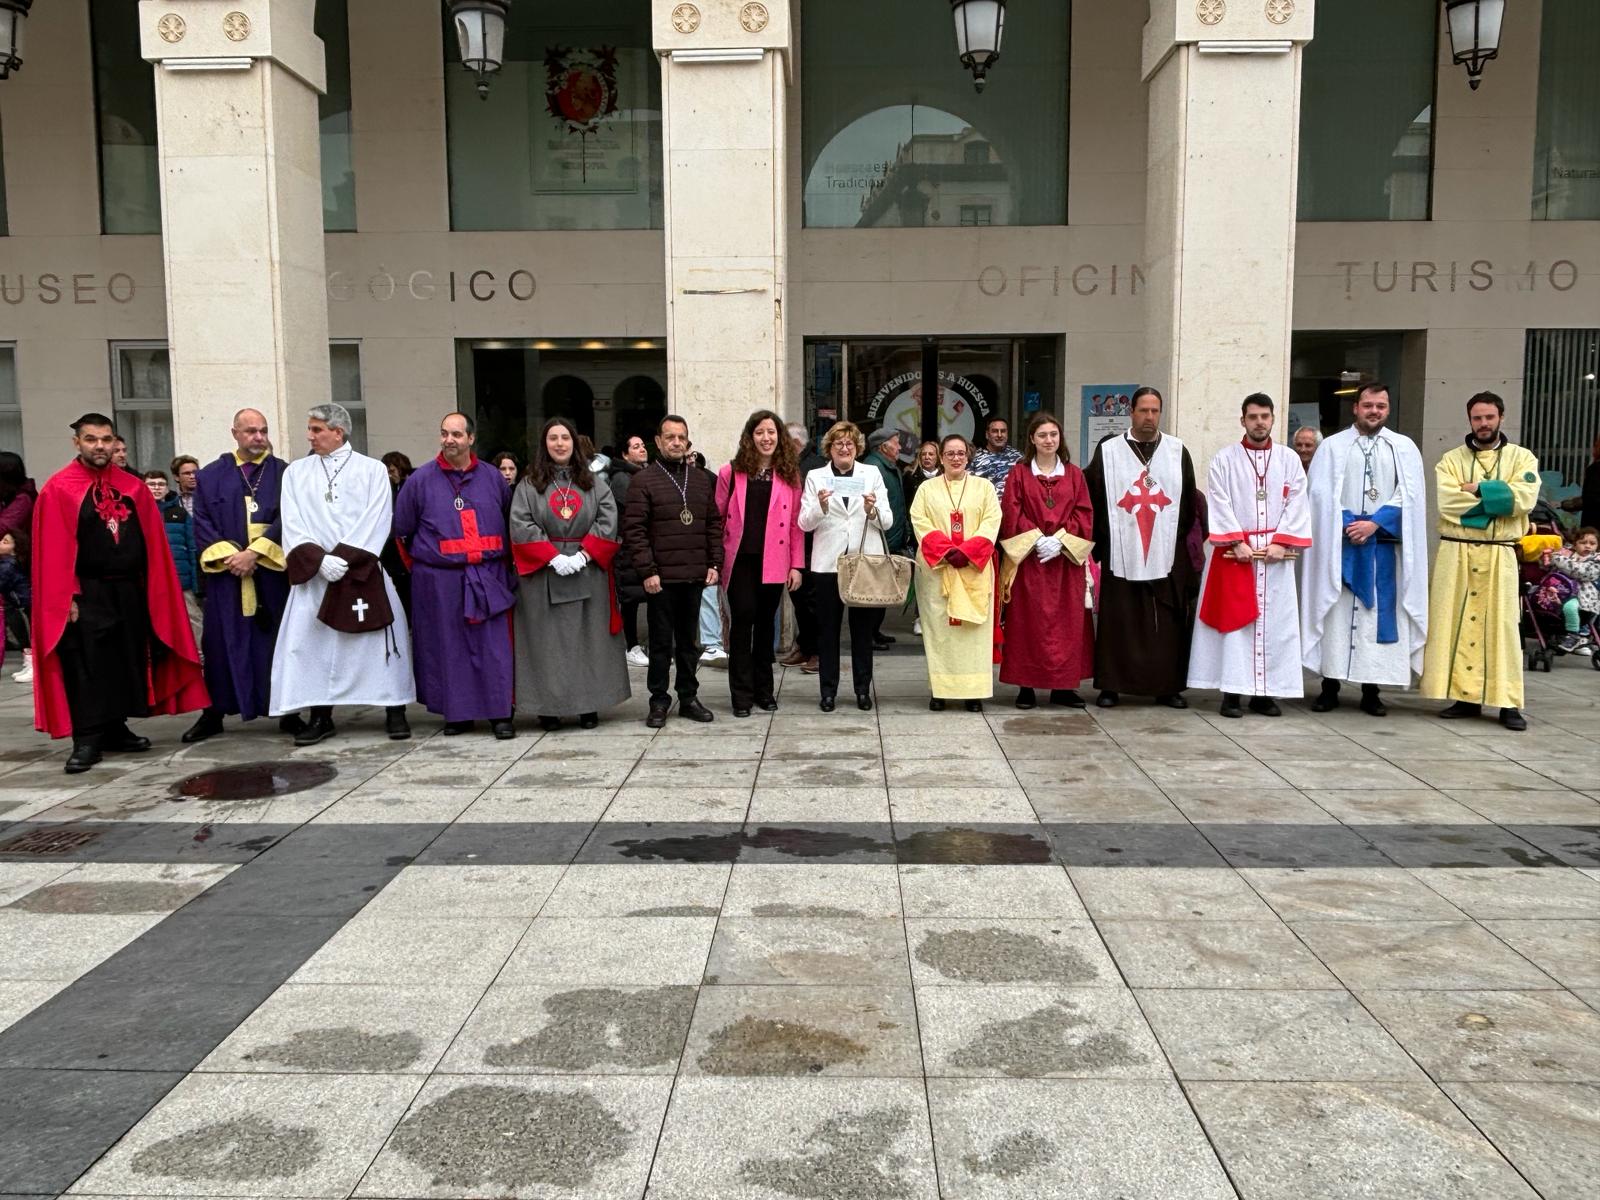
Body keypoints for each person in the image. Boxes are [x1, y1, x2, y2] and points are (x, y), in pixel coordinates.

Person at [32, 414, 206, 772]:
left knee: (126, 659)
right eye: (92, 439)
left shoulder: (133, 487)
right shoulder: (59, 488)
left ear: (115, 443)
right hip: (86, 593)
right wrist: (67, 596)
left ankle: (116, 727)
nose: (100, 446)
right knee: (87, 664)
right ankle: (87, 738)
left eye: (106, 439)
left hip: (129, 588)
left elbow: (152, 545)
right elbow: (53, 550)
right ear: (77, 443)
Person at [270, 403, 415, 745]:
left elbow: (378, 519)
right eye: (310, 429)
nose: (310, 436)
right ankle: (321, 715)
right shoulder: (296, 472)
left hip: (362, 571)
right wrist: (318, 561)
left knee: (379, 644)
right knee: (313, 646)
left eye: (317, 430)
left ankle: (394, 709)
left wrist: (346, 558)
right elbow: (292, 522)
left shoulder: (372, 470)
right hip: (317, 576)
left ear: (339, 431)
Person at [1300, 383, 1429, 716]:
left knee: (1376, 620)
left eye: (1381, 406)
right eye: (1368, 405)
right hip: (1340, 547)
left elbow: (1409, 496)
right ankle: (1330, 687)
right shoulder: (1331, 447)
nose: (1375, 411)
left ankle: (1372, 691)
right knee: (1336, 617)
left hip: (1383, 547)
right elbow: (1320, 494)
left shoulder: (1404, 448)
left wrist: (1375, 523)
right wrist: (1347, 522)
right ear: (1355, 407)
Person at [1421, 392, 1541, 731]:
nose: (1483, 424)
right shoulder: (1450, 460)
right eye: (1477, 418)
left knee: (1502, 628)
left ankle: (1507, 702)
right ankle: (1465, 698)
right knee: (1456, 625)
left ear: (1501, 417)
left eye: (1489, 417)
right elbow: (1448, 503)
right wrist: (1497, 496)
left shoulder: (1523, 458)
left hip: (1499, 552)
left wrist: (1477, 489)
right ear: (1469, 419)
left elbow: (1525, 499)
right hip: (1457, 551)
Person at [1187, 394, 1312, 717]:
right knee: (1235, 626)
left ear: (1273, 419)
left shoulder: (1288, 460)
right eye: (1253, 416)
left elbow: (1298, 502)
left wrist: (1283, 543)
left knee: (1275, 625)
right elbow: (1218, 500)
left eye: (1265, 416)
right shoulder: (1224, 459)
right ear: (1242, 420)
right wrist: (1234, 543)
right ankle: (1231, 692)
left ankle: (1264, 693)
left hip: (1274, 555)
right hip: (1236, 553)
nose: (1259, 422)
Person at [181, 407, 300, 743]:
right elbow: (201, 522)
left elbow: (290, 518)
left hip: (271, 578)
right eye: (250, 431)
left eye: (263, 430)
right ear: (235, 433)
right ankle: (213, 712)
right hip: (227, 578)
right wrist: (233, 558)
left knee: (277, 643)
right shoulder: (211, 475)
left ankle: (288, 712)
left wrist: (256, 553)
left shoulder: (284, 473)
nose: (259, 437)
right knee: (219, 644)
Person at [394, 412, 516, 738]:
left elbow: (508, 522)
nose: (450, 440)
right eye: (445, 434)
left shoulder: (492, 477)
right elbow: (401, 531)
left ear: (471, 439)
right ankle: (457, 713)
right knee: (449, 649)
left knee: (493, 649)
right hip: (440, 581)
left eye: (457, 435)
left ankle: (500, 713)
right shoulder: (420, 480)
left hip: (488, 576)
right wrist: (422, 571)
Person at [510, 417, 630, 729]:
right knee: (546, 645)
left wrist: (585, 554)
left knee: (588, 642)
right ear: (544, 444)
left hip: (586, 571)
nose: (560, 443)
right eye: (553, 438)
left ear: (575, 444)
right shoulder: (528, 485)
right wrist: (552, 557)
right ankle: (548, 707)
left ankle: (588, 704)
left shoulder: (593, 483)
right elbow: (521, 523)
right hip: (543, 576)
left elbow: (608, 517)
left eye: (566, 437)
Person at [1084, 385, 1198, 708]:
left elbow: (1188, 503)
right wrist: (1109, 543)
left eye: (1155, 411)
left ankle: (1167, 686)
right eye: (1143, 410)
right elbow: (1094, 496)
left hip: (1165, 551)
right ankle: (1111, 685)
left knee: (1166, 624)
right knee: (1120, 620)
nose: (1149, 417)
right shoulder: (1109, 451)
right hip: (1121, 551)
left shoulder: (1177, 451)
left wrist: (1169, 540)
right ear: (1131, 413)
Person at [622, 414, 722, 727]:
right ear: (659, 441)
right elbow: (635, 530)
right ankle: (659, 700)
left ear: (687, 441)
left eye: (681, 437)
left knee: (690, 644)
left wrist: (714, 563)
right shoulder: (644, 480)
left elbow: (713, 524)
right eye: (670, 437)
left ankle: (688, 697)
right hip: (660, 579)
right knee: (662, 643)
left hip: (694, 574)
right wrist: (647, 571)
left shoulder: (702, 479)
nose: (676, 443)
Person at [998, 413, 1093, 709]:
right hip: (1030, 559)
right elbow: (1012, 510)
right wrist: (1037, 539)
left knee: (1067, 624)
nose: (1049, 440)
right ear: (1032, 440)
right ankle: (1026, 685)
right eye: (1042, 435)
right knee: (1028, 622)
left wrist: (1061, 541)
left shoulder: (1075, 475)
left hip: (1064, 563)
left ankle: (1062, 687)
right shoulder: (1019, 474)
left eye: (1053, 434)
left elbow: (1084, 512)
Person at [799, 421, 894, 712]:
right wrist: (820, 507)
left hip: (863, 560)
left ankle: (862, 690)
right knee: (827, 631)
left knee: (862, 632)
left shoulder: (871, 473)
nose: (844, 448)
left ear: (857, 447)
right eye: (838, 443)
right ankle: (828, 691)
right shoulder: (816, 476)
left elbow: (887, 521)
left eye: (850, 443)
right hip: (828, 564)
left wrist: (872, 510)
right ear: (829, 448)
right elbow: (804, 522)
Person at [715, 410, 804, 717]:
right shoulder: (731, 472)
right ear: (750, 437)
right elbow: (717, 517)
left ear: (779, 438)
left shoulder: (789, 474)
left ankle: (764, 690)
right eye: (760, 432)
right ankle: (740, 694)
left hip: (775, 561)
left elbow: (795, 525)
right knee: (743, 621)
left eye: (771, 432)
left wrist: (796, 566)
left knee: (766, 627)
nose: (766, 438)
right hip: (739, 559)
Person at [910, 433, 1002, 711]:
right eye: (950, 453)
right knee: (939, 632)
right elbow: (919, 520)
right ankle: (940, 691)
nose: (956, 458)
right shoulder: (927, 489)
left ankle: (973, 693)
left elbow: (992, 520)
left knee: (973, 634)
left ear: (968, 456)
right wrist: (947, 552)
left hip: (974, 569)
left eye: (961, 453)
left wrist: (968, 552)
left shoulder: (984, 487)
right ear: (941, 457)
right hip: (938, 572)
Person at [780, 421, 824, 673]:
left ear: (796, 444)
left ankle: (818, 651)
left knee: (812, 602)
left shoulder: (815, 467)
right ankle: (805, 646)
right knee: (799, 600)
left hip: (812, 546)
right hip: (792, 545)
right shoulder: (790, 465)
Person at [863, 427, 909, 651]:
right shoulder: (873, 467)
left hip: (890, 538)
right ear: (883, 446)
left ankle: (874, 631)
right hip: (880, 538)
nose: (900, 447)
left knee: (882, 589)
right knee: (875, 589)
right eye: (896, 442)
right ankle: (868, 634)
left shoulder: (890, 467)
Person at [609, 435, 649, 666]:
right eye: (636, 446)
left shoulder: (640, 475)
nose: (642, 449)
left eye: (643, 445)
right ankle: (631, 646)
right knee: (631, 599)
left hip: (640, 545)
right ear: (625, 454)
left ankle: (639, 645)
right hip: (629, 547)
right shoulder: (622, 478)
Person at [148, 471, 201, 638]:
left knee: (194, 619)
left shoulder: (180, 513)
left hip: (181, 579)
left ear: (167, 488)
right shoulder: (138, 512)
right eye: (152, 484)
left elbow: (192, 548)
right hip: (153, 581)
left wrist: (195, 583)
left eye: (161, 484)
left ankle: (200, 658)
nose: (157, 488)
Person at [691, 451, 729, 665]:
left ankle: (713, 644)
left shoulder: (707, 480)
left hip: (703, 550)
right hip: (690, 550)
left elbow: (714, 522)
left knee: (709, 595)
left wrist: (714, 559)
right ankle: (711, 644)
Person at [0, 453, 35, 682]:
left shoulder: (23, 498)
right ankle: (28, 657)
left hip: (21, 563)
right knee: (14, 611)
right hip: (14, 561)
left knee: (23, 612)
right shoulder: (12, 496)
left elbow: (4, 525)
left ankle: (32, 659)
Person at [1545, 528, 1599, 653]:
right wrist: (1547, 558)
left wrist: (1558, 560)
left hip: (1582, 598)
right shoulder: (1566, 554)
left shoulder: (1596, 560)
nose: (1588, 546)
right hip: (1558, 592)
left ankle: (1574, 635)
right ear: (1575, 544)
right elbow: (1549, 568)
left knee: (1570, 607)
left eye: (1592, 543)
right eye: (1583, 542)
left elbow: (1582, 573)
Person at [379, 451, 414, 620]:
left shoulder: (409, 486)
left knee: (404, 585)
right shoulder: (387, 488)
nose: (389, 475)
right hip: (390, 542)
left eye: (392, 471)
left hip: (402, 543)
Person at [0, 529, 32, 685]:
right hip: (17, 605)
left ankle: (32, 666)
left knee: (25, 634)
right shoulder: (6, 562)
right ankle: (28, 663)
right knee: (21, 635)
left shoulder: (9, 564)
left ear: (15, 549)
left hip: (22, 605)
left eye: (5, 542)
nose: (0, 544)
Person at [971, 416, 1023, 502]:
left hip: (1011, 510)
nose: (999, 435)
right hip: (984, 510)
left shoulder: (1018, 458)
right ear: (987, 435)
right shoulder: (974, 458)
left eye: (1003, 431)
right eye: (995, 431)